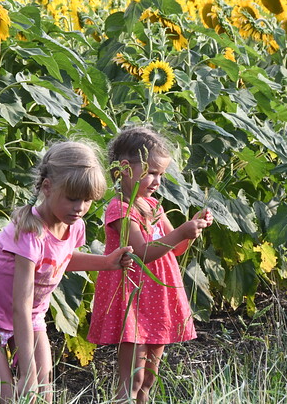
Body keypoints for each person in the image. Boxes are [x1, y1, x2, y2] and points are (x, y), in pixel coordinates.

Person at [0, 141, 133, 404]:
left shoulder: (73, 225)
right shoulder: (30, 233)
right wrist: (26, 370)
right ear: (47, 188)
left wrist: (107, 262)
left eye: (87, 200)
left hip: (31, 316)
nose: (80, 207)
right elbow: (20, 303)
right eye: (73, 198)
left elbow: (61, 259)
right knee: (4, 398)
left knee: (42, 393)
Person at [87, 126, 213, 404]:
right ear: (124, 168)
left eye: (161, 174)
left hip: (157, 297)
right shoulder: (120, 209)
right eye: (151, 172)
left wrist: (192, 229)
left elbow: (176, 249)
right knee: (132, 377)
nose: (157, 181)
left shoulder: (154, 206)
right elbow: (140, 253)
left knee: (150, 378)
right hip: (132, 298)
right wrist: (181, 232)